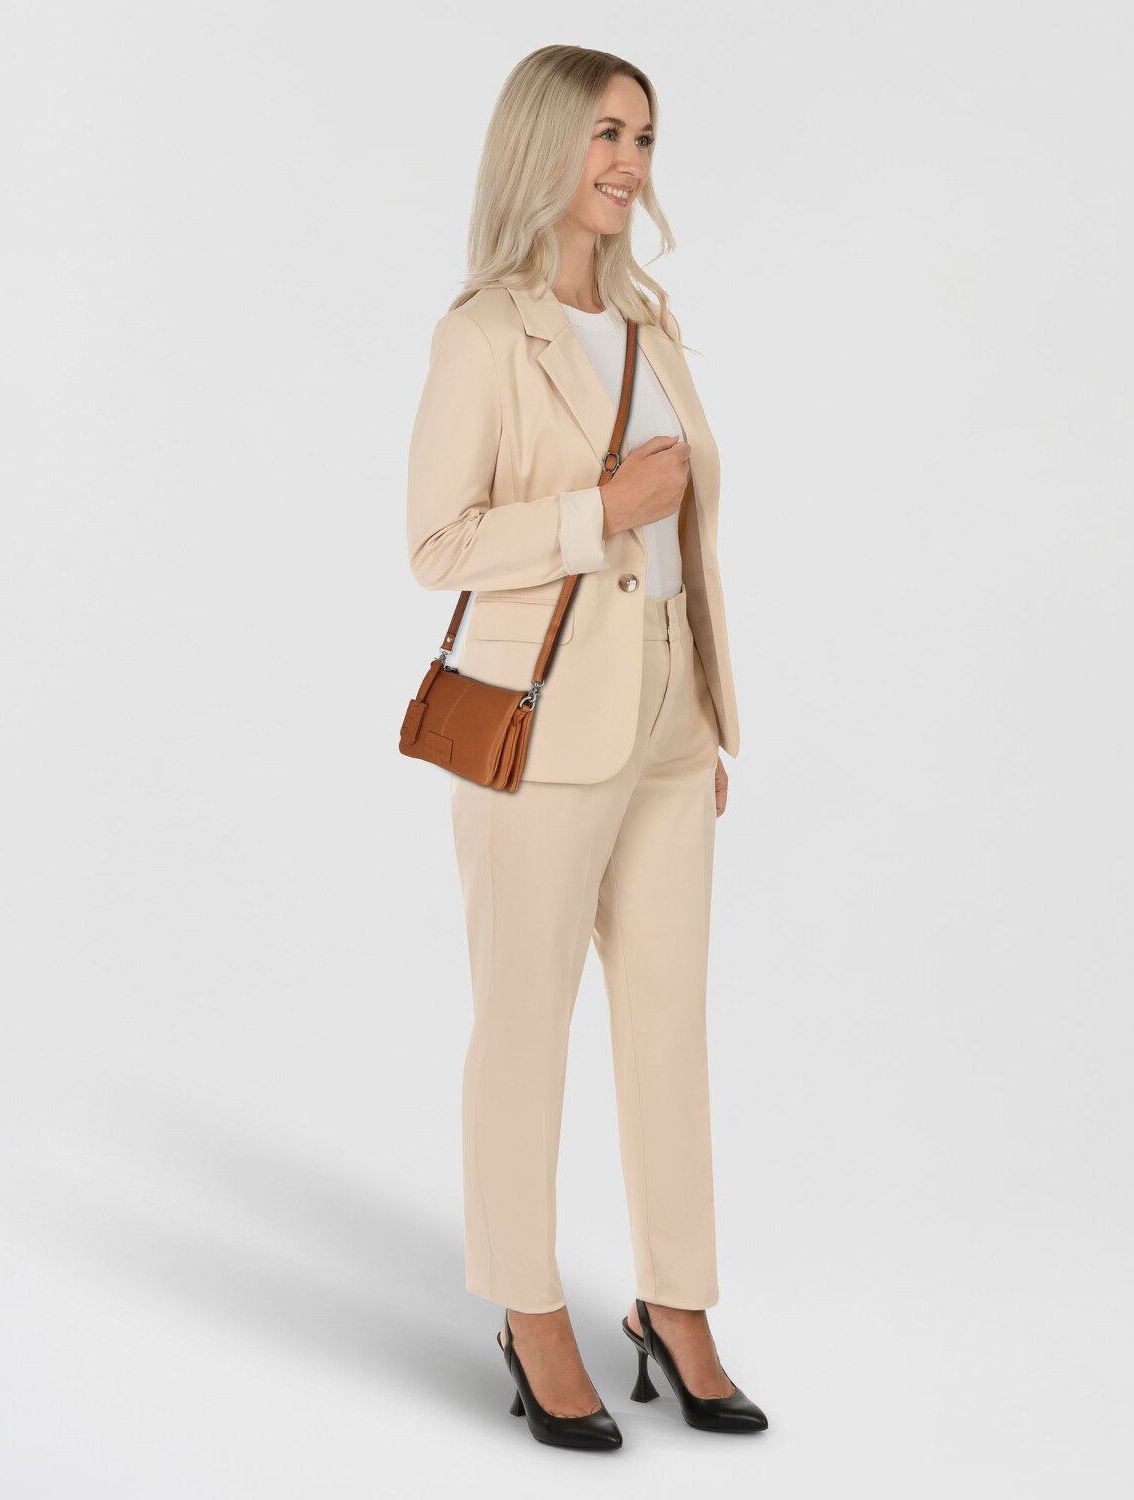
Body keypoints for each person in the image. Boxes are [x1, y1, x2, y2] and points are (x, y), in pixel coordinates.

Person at [405, 44, 768, 1450]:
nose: (629, 162)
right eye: (606, 133)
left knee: (671, 1025)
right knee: (527, 1023)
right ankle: (528, 1303)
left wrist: (703, 711)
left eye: (645, 138)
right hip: (544, 724)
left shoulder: (650, 323)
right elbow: (437, 544)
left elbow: (691, 543)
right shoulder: (485, 334)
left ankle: (676, 1303)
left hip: (669, 716)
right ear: (543, 144)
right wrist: (596, 511)